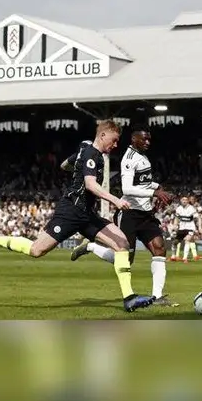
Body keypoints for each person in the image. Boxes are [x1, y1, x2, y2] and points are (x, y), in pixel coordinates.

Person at [0, 120, 155, 312]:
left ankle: (129, 298)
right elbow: (90, 184)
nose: (115, 146)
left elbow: (64, 165)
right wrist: (115, 200)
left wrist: (76, 168)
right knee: (36, 251)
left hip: (87, 214)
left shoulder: (85, 149)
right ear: (103, 135)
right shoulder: (91, 154)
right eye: (113, 141)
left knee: (122, 244)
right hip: (70, 212)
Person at [70, 124, 176, 306]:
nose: (148, 142)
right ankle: (92, 247)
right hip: (129, 214)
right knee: (126, 258)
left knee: (159, 248)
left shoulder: (142, 156)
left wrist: (157, 187)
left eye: (149, 139)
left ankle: (157, 296)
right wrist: (154, 193)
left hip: (145, 214)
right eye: (144, 139)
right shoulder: (129, 158)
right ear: (134, 140)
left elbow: (143, 183)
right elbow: (127, 188)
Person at [172, 195, 202, 262]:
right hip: (181, 228)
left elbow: (198, 218)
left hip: (190, 228)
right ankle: (173, 256)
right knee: (175, 242)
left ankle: (185, 258)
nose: (184, 201)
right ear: (180, 201)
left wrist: (199, 227)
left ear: (188, 201)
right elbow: (176, 218)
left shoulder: (191, 208)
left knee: (187, 240)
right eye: (183, 200)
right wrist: (175, 225)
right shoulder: (178, 209)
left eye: (186, 200)